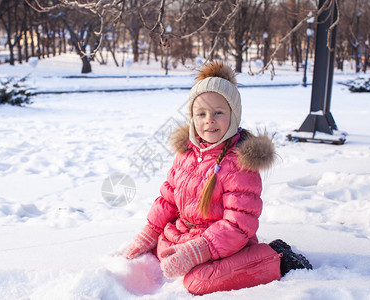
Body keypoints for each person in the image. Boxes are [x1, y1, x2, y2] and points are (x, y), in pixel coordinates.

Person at [123, 61, 312, 295]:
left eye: (218, 113)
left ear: (233, 116)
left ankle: (276, 259)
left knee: (198, 281)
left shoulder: (239, 164)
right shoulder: (186, 154)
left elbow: (239, 223)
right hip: (186, 235)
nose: (209, 120)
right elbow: (168, 199)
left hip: (225, 243)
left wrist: (199, 250)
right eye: (201, 113)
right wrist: (150, 233)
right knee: (158, 251)